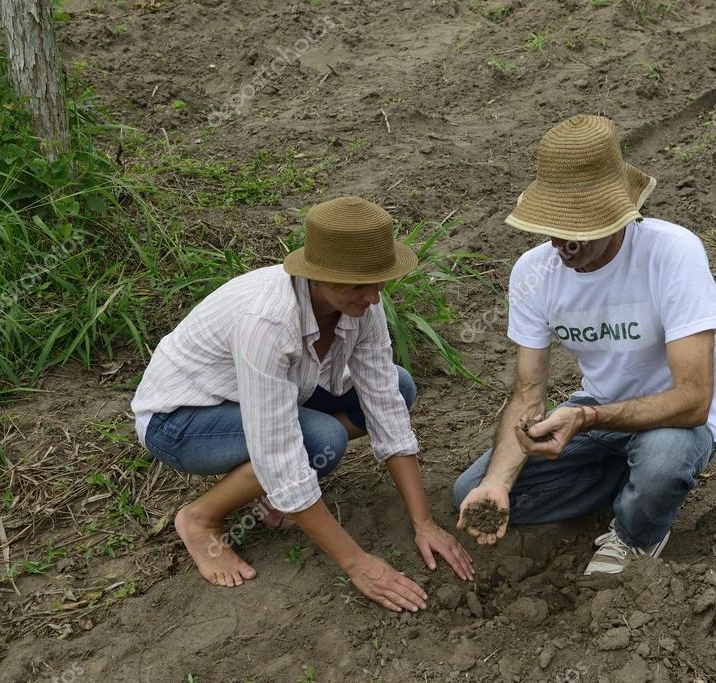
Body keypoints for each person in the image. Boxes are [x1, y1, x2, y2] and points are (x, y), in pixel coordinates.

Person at [132, 196, 473, 610]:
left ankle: (277, 491)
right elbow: (278, 448)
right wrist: (358, 563)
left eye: (378, 281)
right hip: (181, 421)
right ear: (318, 275)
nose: (373, 297)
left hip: (269, 397)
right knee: (318, 441)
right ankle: (200, 518)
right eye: (359, 285)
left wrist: (425, 524)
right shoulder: (268, 323)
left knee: (400, 388)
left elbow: (384, 402)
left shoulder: (362, 304)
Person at [453, 115, 716, 575]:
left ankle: (636, 533)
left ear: (618, 214)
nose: (563, 244)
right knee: (473, 495)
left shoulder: (671, 253)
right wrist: (500, 482)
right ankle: (634, 486)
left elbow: (694, 399)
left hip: (673, 419)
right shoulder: (532, 272)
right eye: (553, 227)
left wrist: (585, 418)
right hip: (599, 410)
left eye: (579, 229)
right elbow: (527, 393)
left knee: (663, 460)